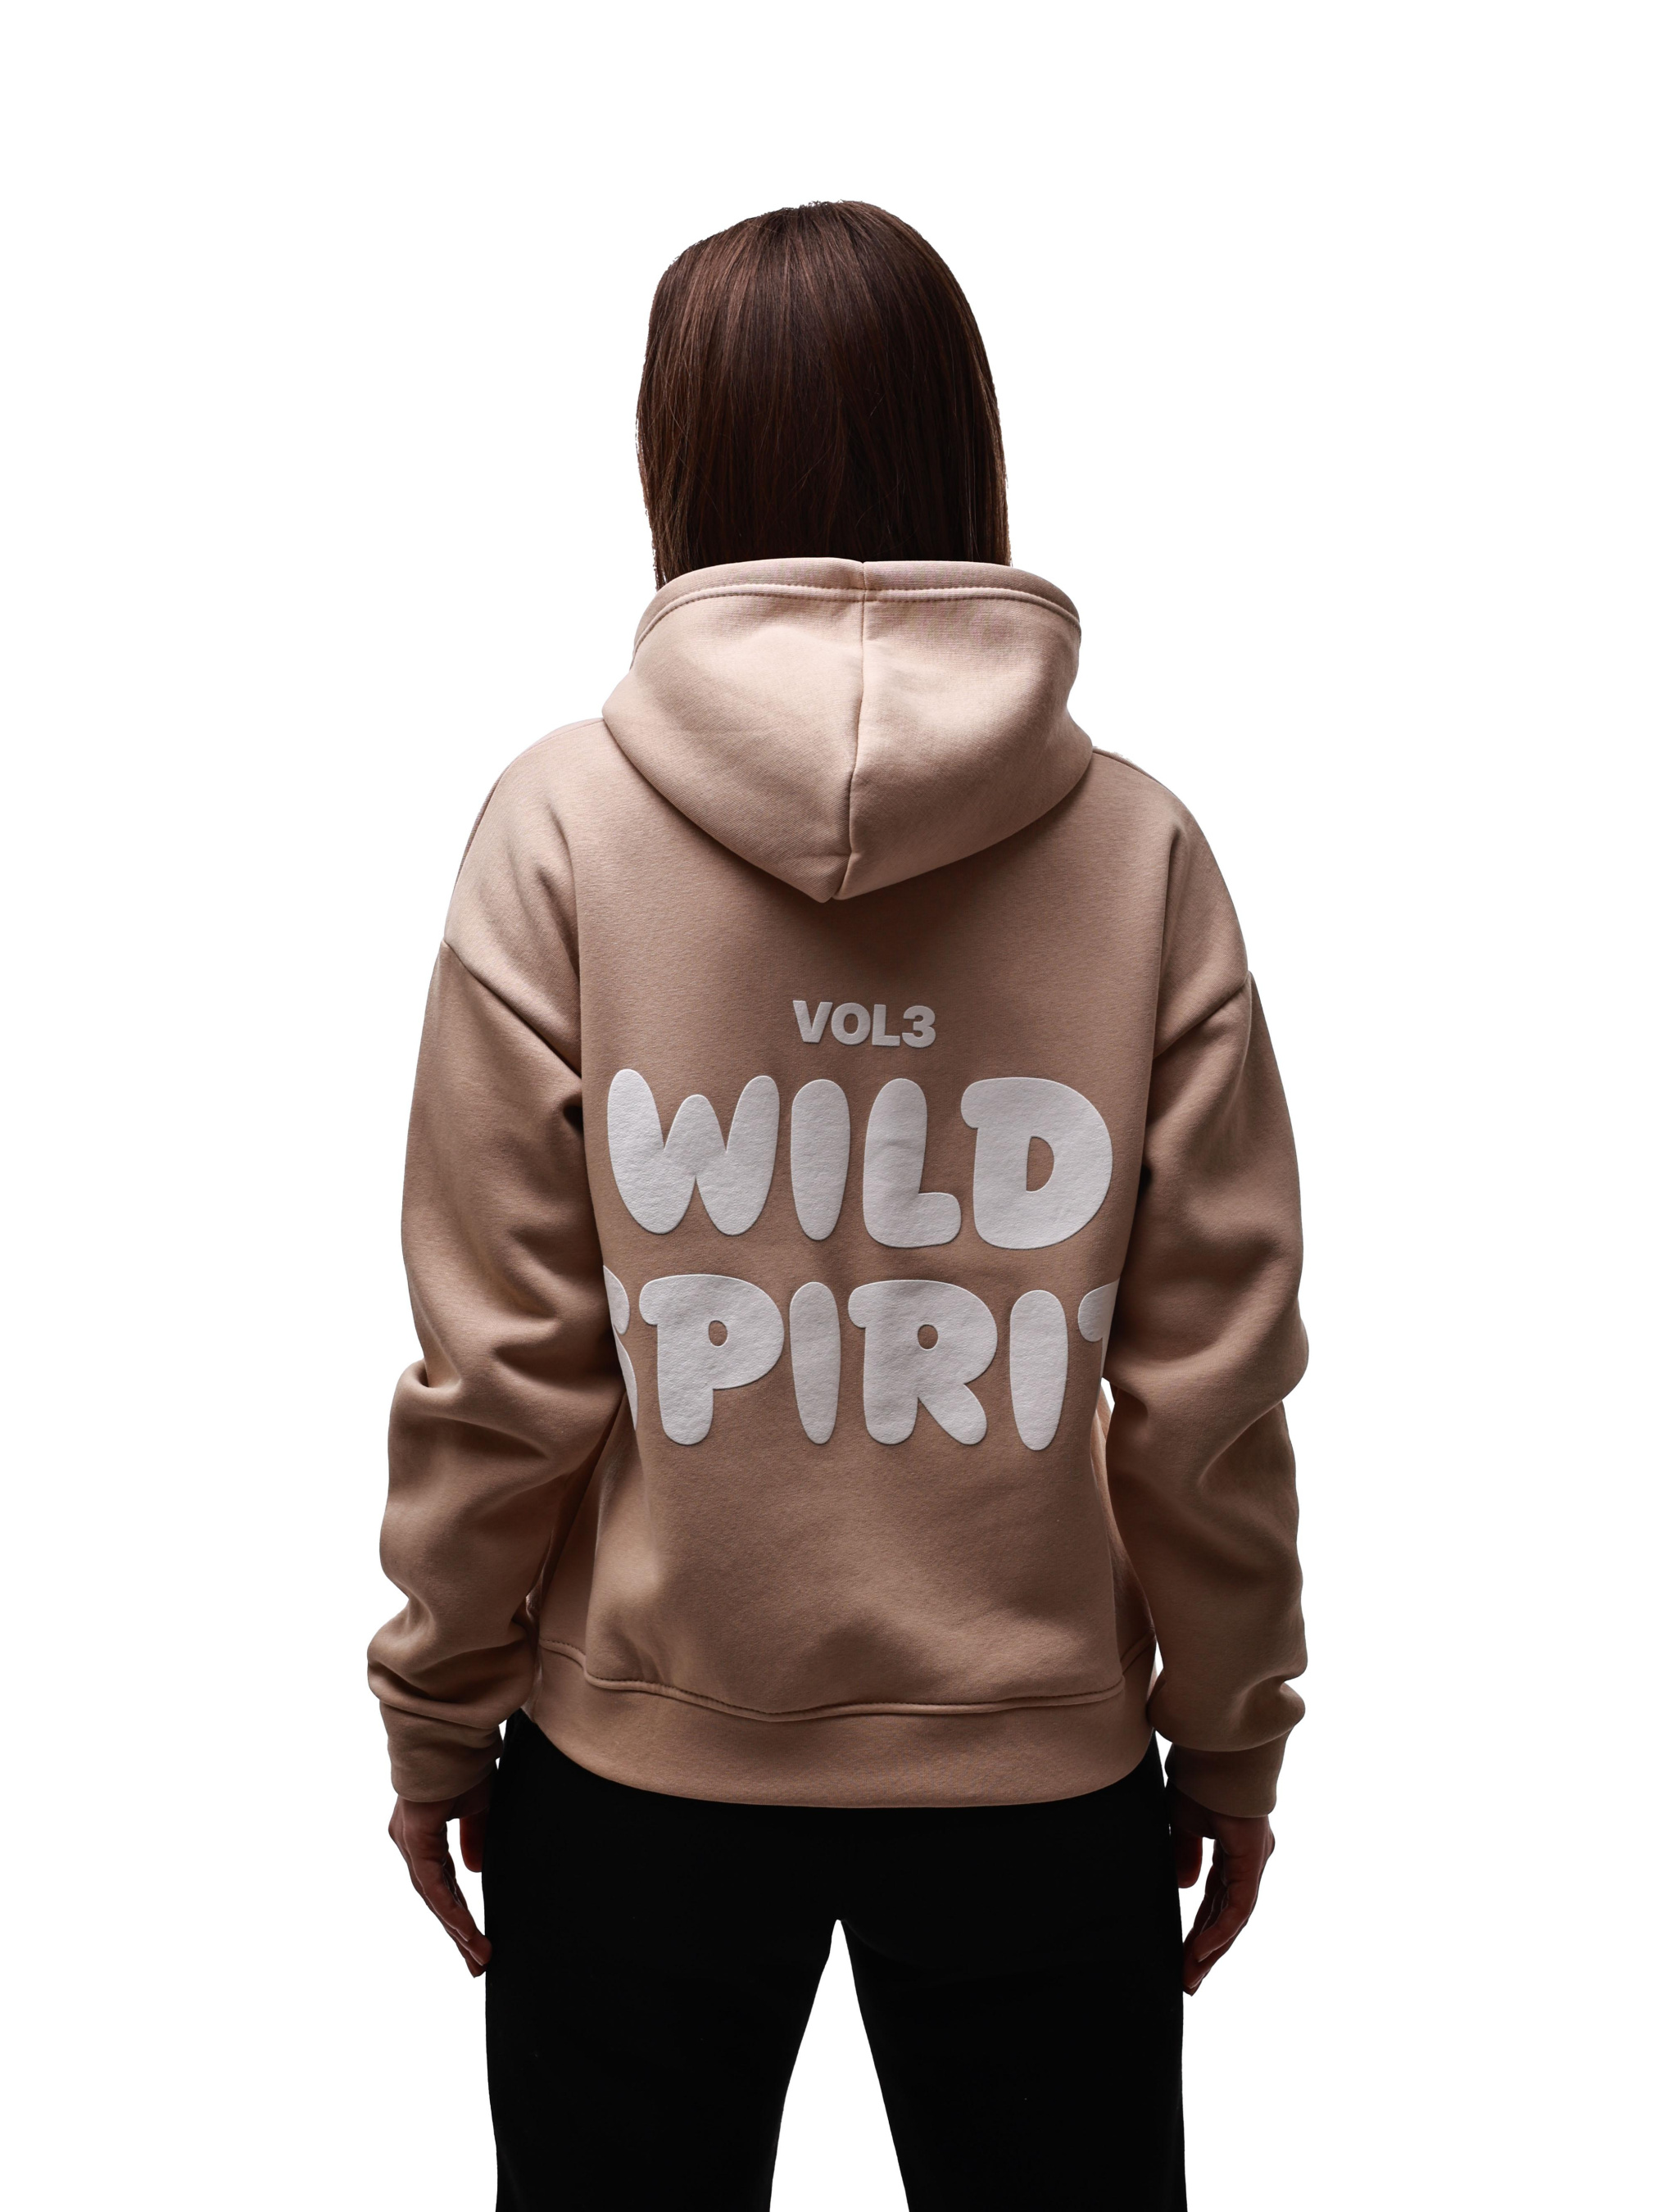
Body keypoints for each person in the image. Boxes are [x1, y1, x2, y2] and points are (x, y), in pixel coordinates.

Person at [369, 200, 1308, 2212]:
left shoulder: (559, 830)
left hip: (636, 1773)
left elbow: (505, 1364)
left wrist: (435, 1703)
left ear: (675, 457)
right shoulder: (1135, 851)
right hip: (1035, 1778)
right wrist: (1229, 1725)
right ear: (963, 443)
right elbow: (1208, 1379)